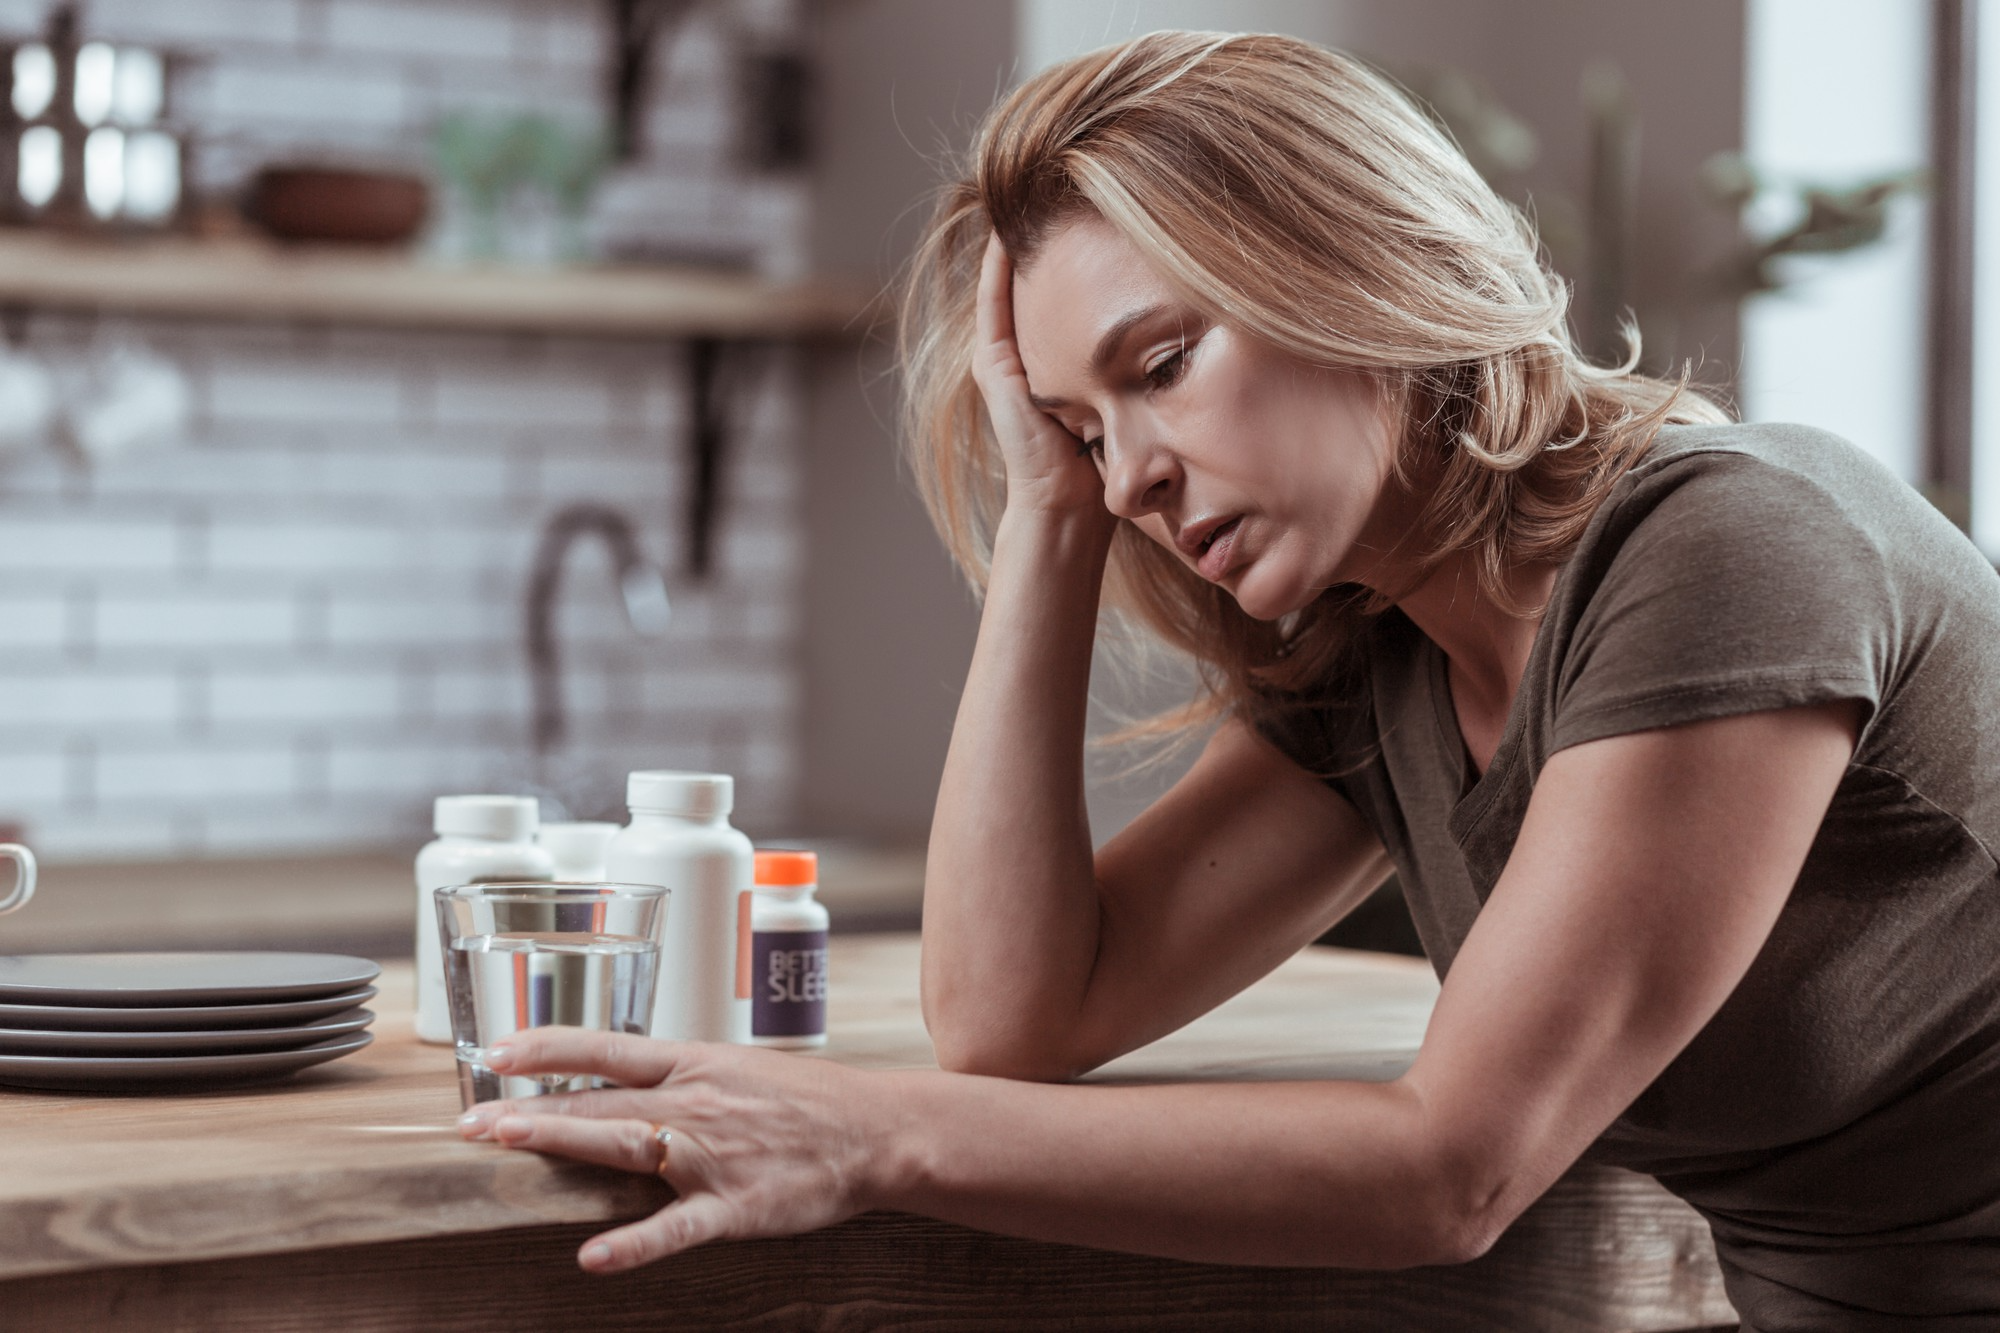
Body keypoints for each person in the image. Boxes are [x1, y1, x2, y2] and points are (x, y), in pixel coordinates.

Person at [456, 32, 2000, 1327]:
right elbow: (1015, 1020)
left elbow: (1451, 1169)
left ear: (1350, 261)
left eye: (1162, 365)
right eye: (1081, 428)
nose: (1129, 474)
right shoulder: (1387, 653)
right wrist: (1047, 517)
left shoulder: (1724, 549)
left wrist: (866, 1135)